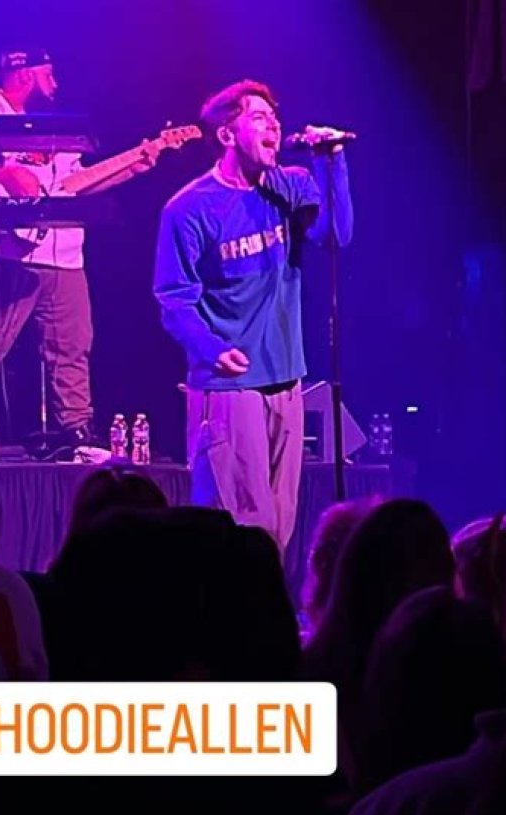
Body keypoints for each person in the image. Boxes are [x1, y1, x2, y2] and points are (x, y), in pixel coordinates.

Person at [153, 79, 353, 552]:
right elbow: (173, 298)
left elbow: (335, 235)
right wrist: (210, 348)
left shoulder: (290, 185)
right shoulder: (188, 209)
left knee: (280, 525)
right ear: (227, 135)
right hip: (229, 387)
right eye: (259, 117)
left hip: (286, 379)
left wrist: (332, 161)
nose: (274, 126)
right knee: (240, 526)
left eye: (275, 118)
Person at [0, 48, 151, 449]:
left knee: (72, 345)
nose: (55, 84)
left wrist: (129, 168)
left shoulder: (58, 124)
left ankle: (77, 430)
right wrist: (8, 178)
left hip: (64, 253)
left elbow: (71, 185)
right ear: (25, 75)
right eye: (49, 74)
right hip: (4, 252)